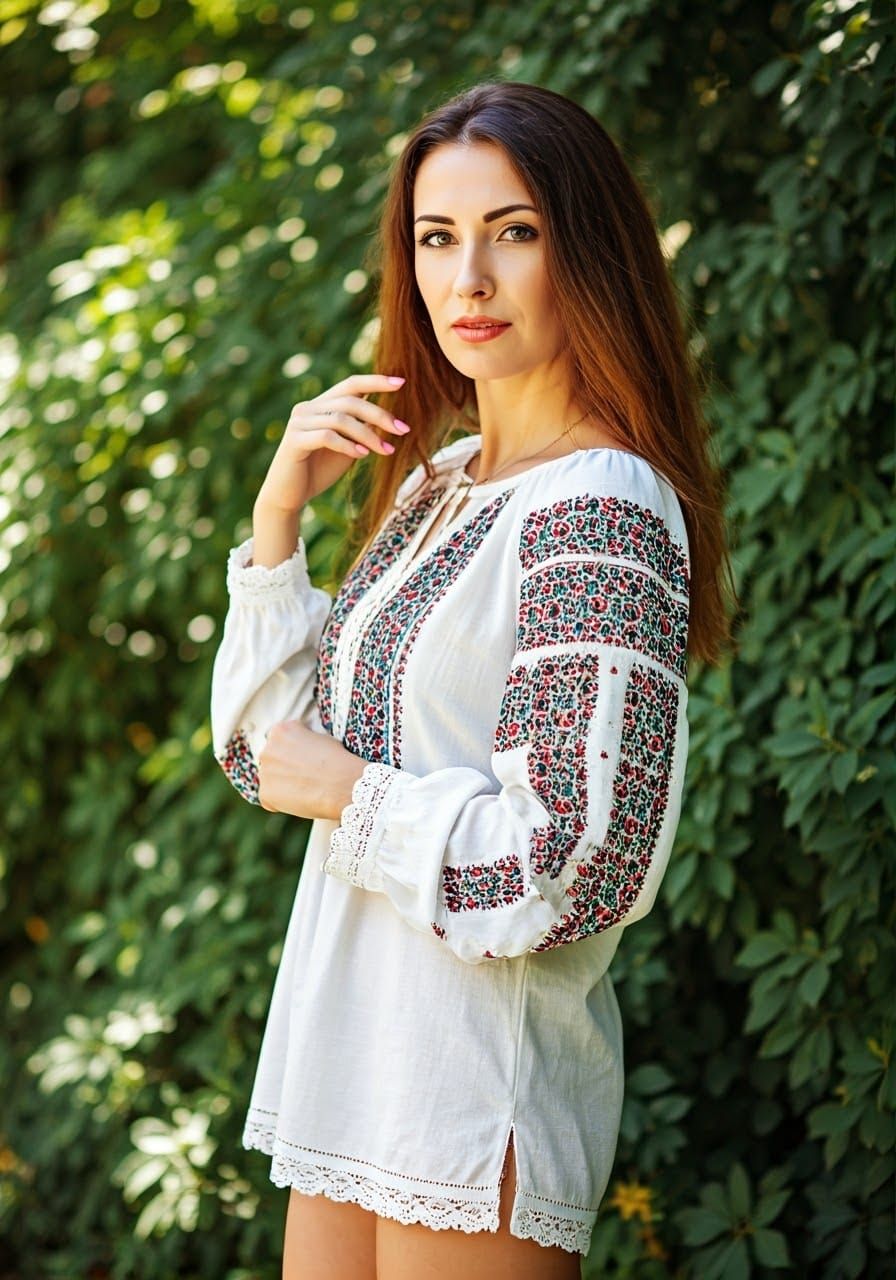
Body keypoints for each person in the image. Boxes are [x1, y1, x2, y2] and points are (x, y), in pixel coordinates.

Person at [210, 80, 734, 1280]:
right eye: (437, 238)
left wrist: (356, 794)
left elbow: (576, 860)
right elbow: (262, 754)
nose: (468, 281)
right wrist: (277, 516)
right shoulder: (438, 484)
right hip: (349, 1067)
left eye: (513, 232)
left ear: (584, 249)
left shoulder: (599, 504)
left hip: (469, 1089)